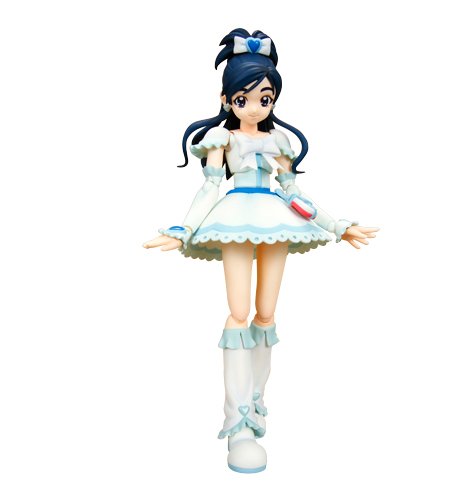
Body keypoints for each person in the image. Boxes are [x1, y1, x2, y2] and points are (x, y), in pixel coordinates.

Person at [143, 28, 379, 473]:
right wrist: (184, 228)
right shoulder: (222, 138)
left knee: (266, 314)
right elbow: (210, 188)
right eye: (243, 99)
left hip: (275, 218)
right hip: (234, 218)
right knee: (238, 313)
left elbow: (294, 193)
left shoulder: (280, 141)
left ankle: (256, 403)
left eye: (264, 98)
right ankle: (238, 425)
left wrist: (337, 225)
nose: (254, 107)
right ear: (226, 99)